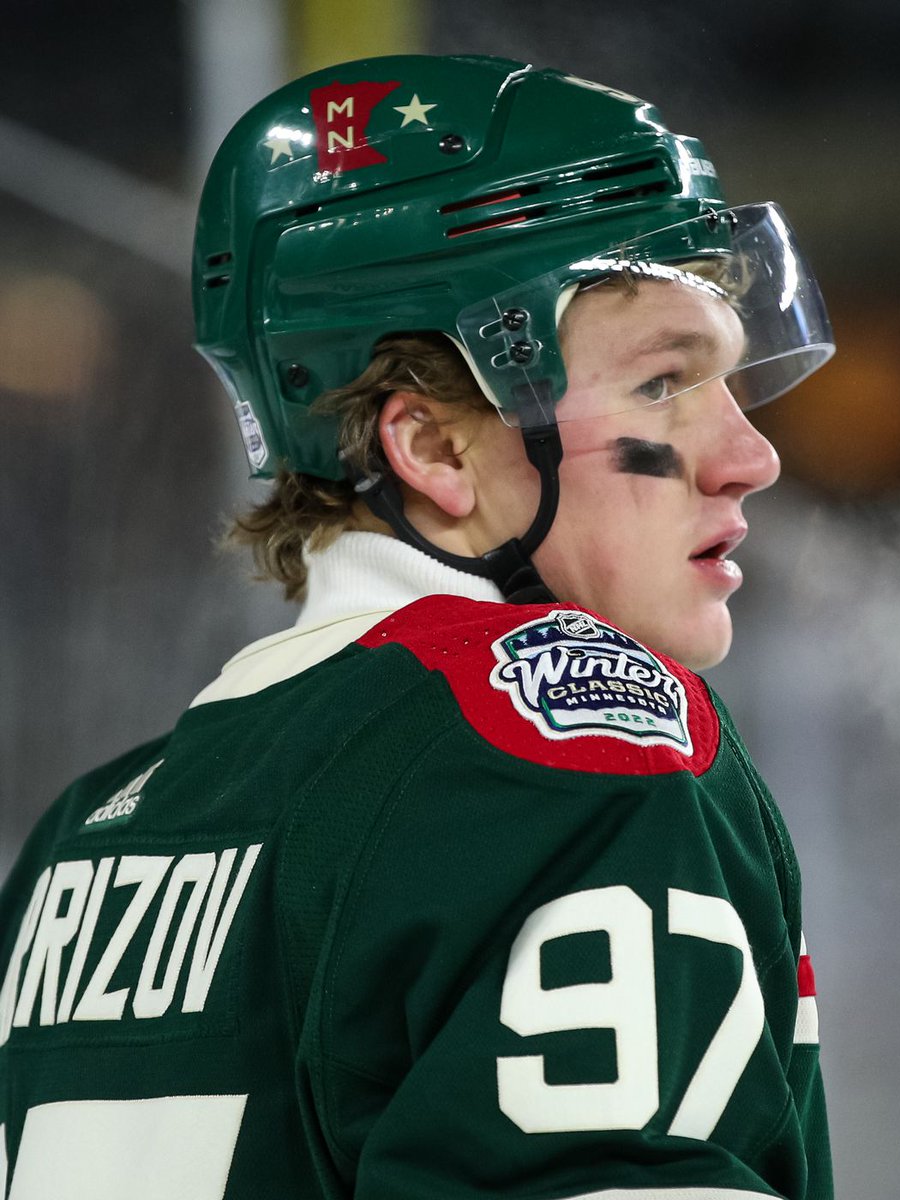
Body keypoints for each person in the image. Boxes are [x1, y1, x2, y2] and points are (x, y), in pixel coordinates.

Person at [0, 54, 835, 1198]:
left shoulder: (82, 836)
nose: (750, 455)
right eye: (661, 383)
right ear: (435, 446)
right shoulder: (564, 744)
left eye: (728, 384)